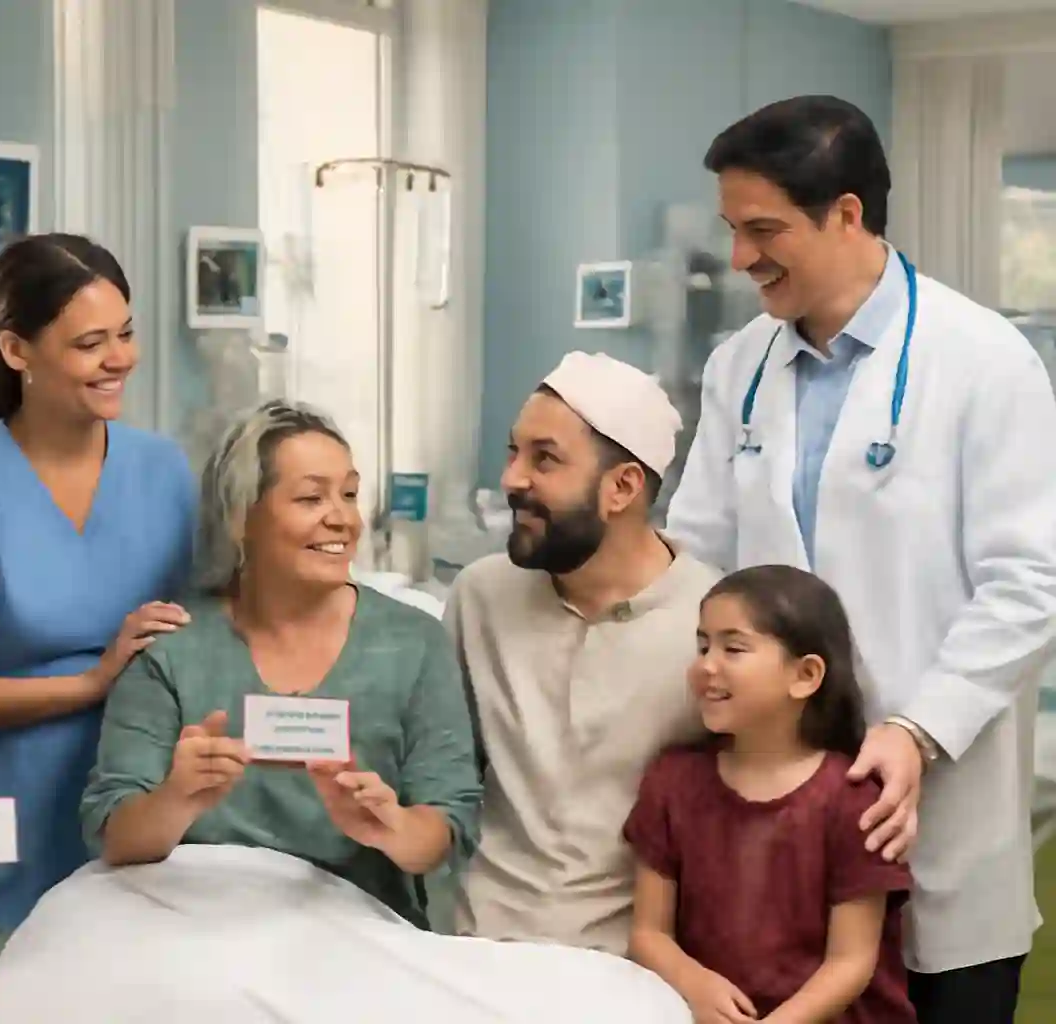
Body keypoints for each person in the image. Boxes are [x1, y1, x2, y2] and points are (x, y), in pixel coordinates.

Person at [664, 95, 1056, 1023]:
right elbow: (700, 559)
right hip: (775, 818)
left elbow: (1033, 578)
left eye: (764, 230)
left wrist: (918, 729)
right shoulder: (739, 367)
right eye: (732, 229)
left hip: (934, 814)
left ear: (847, 214)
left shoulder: (983, 360)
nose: (741, 258)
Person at [80, 400, 481, 928]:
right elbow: (113, 832)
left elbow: (448, 822)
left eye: (351, 494)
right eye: (312, 497)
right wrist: (177, 800)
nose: (341, 517)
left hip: (354, 932)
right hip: (192, 928)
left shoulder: (414, 643)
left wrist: (392, 828)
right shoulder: (173, 647)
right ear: (241, 517)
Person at [0, 234, 196, 956]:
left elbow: (207, 638)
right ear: (17, 351)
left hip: (133, 814)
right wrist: (94, 681)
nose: (120, 358)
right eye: (90, 343)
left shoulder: (164, 472)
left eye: (125, 334)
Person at [446, 351, 720, 954]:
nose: (513, 479)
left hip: (633, 971)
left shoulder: (712, 625)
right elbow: (442, 780)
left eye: (544, 459)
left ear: (622, 487)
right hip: (472, 951)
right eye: (513, 452)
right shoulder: (481, 597)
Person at [625, 565, 916, 1024]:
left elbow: (851, 963)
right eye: (703, 646)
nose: (706, 665)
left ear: (805, 675)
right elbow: (648, 933)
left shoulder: (854, 800)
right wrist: (693, 982)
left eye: (733, 648)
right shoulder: (671, 782)